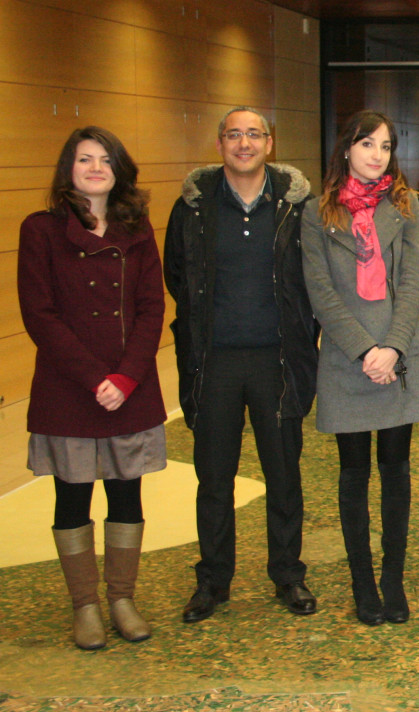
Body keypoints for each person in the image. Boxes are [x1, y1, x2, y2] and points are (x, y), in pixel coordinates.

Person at [165, 106, 320, 623]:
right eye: (235, 134)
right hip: (215, 364)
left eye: (254, 134)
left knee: (284, 475)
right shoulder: (191, 208)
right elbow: (178, 278)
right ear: (220, 144)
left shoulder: (297, 207)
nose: (245, 143)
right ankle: (212, 581)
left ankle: (289, 576)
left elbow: (313, 279)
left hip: (279, 360)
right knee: (213, 480)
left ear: (270, 143)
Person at [19, 128, 166, 650]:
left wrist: (126, 376)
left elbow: (152, 307)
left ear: (119, 170)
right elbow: (39, 314)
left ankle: (122, 598)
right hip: (69, 389)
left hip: (131, 386)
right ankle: (85, 605)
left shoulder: (138, 228)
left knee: (128, 494)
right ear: (69, 169)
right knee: (72, 497)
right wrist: (93, 378)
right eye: (85, 159)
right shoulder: (40, 230)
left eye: (106, 160)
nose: (95, 167)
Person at [301, 110, 419, 625]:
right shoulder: (318, 213)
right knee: (353, 474)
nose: (377, 155)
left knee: (396, 472)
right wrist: (364, 352)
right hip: (346, 360)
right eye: (367, 144)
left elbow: (412, 283)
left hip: (398, 357)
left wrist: (393, 349)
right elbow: (320, 294)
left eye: (385, 146)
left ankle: (393, 581)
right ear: (346, 149)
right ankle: (363, 585)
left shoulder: (407, 206)